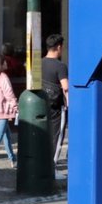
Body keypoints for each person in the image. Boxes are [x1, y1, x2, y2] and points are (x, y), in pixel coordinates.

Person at [41, 33, 69, 167]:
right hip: (56, 107)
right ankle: (52, 167)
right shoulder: (60, 66)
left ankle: (44, 163)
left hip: (41, 104)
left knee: (44, 135)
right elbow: (66, 87)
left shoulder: (39, 63)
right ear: (59, 47)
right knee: (56, 136)